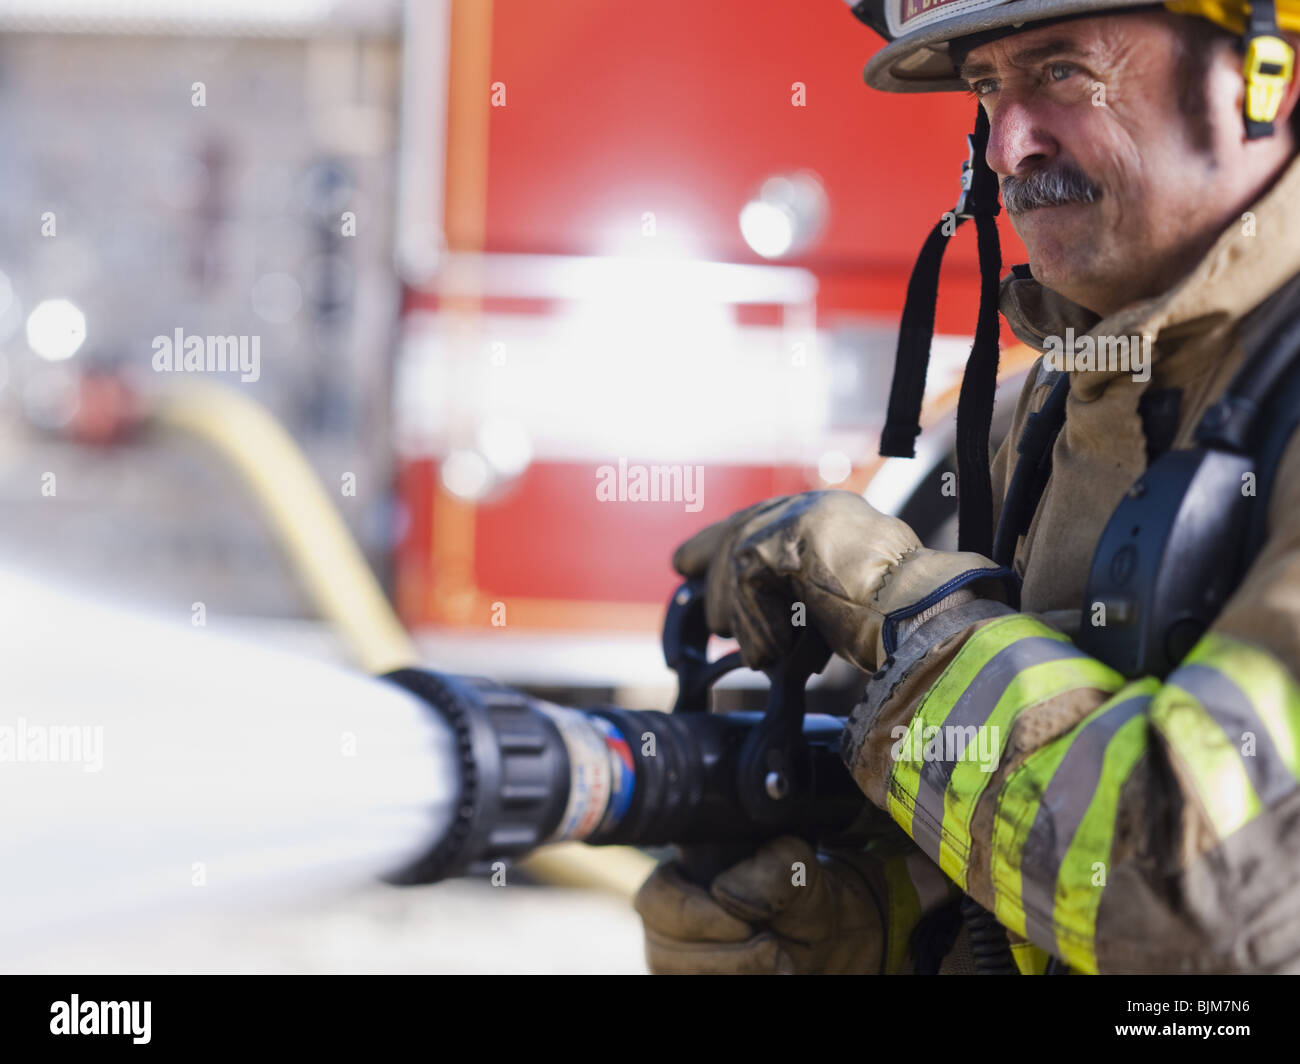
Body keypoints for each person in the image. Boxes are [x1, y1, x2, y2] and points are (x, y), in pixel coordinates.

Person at [634, 0, 1300, 974]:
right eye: (988, 87)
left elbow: (1198, 892)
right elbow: (1046, 861)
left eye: (1063, 71)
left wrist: (902, 614)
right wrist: (869, 924)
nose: (1006, 145)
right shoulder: (1046, 412)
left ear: (1262, 72)